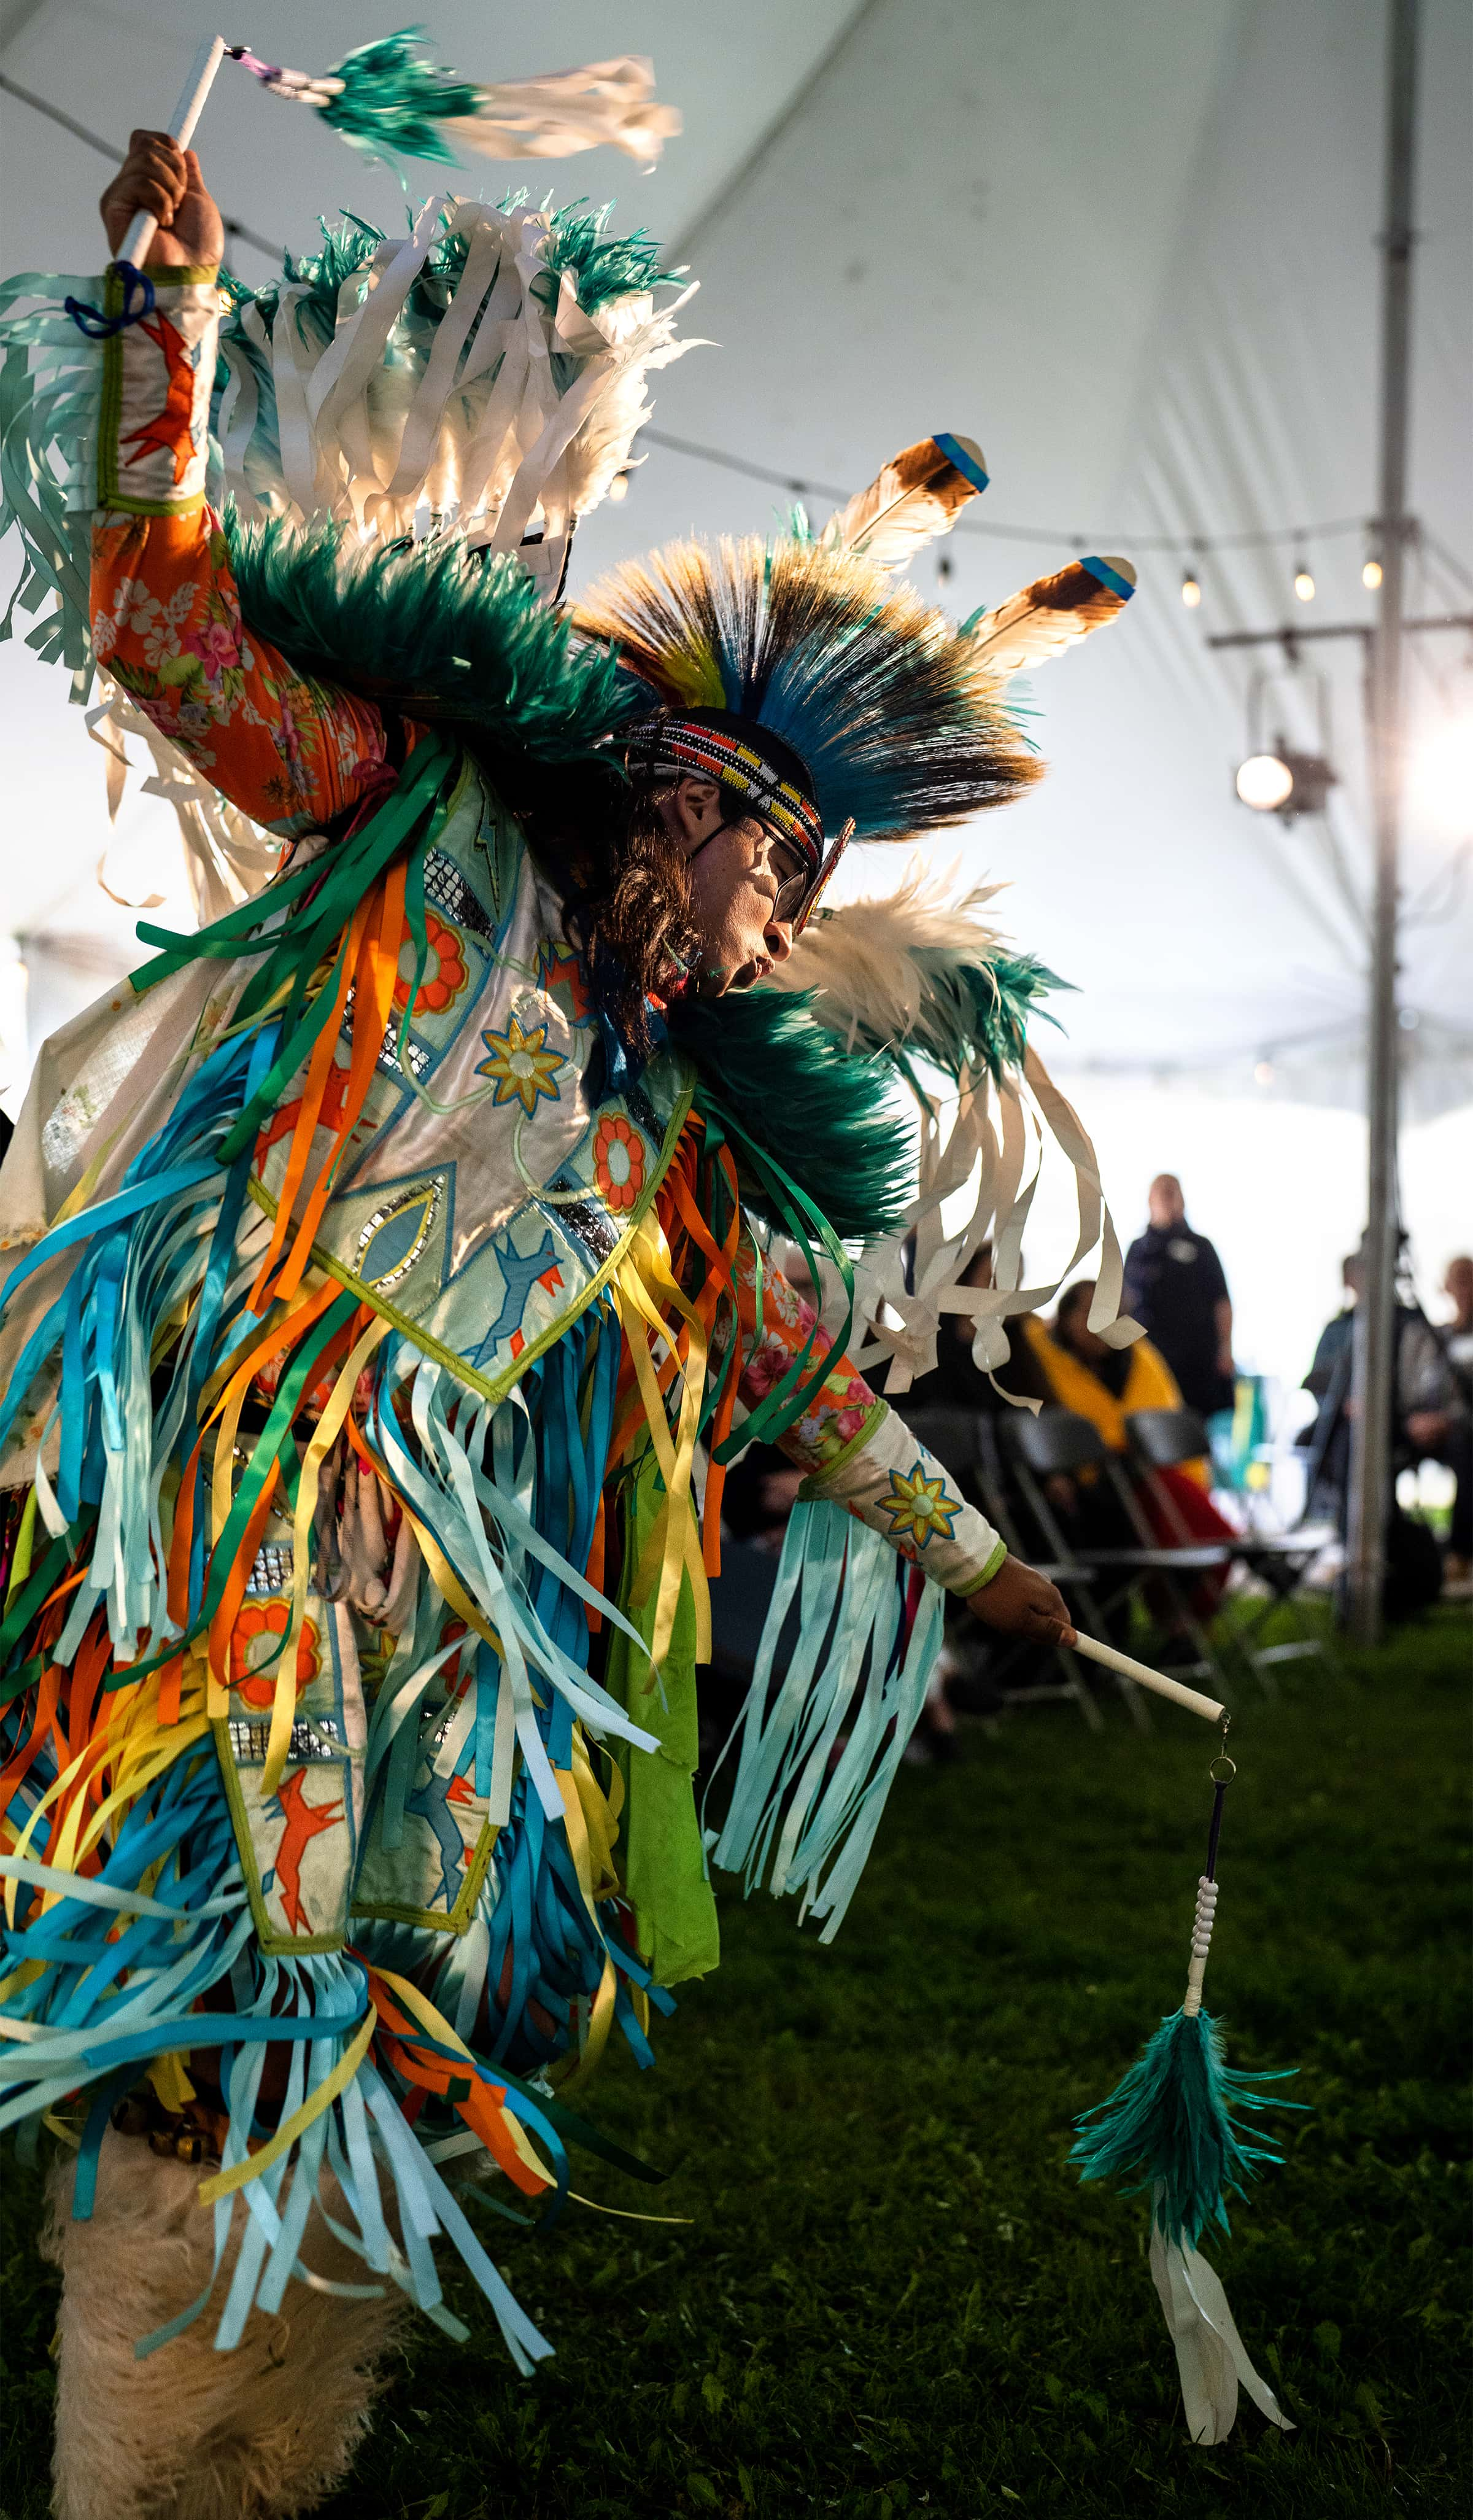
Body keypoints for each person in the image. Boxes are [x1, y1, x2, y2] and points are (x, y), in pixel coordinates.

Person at [0, 129, 1138, 2520]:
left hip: (450, 1612)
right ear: (682, 794)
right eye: (781, 857)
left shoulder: (651, 1120)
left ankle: (251, 2443)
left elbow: (785, 1368)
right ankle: (153, 2441)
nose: (788, 916)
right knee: (227, 2019)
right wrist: (166, 337)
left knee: (374, 2022)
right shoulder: (420, 828)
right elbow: (165, 626)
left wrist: (979, 1566)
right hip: (245, 1534)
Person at [1122, 1174, 1236, 1420]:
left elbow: (1222, 1302)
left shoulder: (1201, 1247)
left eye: (1173, 1191)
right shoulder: (1138, 1250)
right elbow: (1124, 1302)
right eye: (1162, 1191)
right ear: (1150, 1200)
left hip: (1196, 1359)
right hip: (1152, 1354)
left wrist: (1226, 1350)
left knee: (1195, 1426)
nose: (1168, 1197)